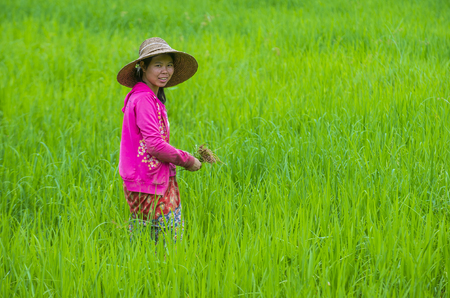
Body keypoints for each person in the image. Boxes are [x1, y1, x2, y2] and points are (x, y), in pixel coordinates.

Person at [116, 37, 202, 245]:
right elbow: (155, 145)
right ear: (143, 67)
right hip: (150, 182)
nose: (165, 71)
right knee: (169, 244)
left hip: (146, 180)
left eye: (169, 65)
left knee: (143, 242)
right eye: (158, 65)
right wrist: (188, 160)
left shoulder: (144, 96)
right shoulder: (144, 100)